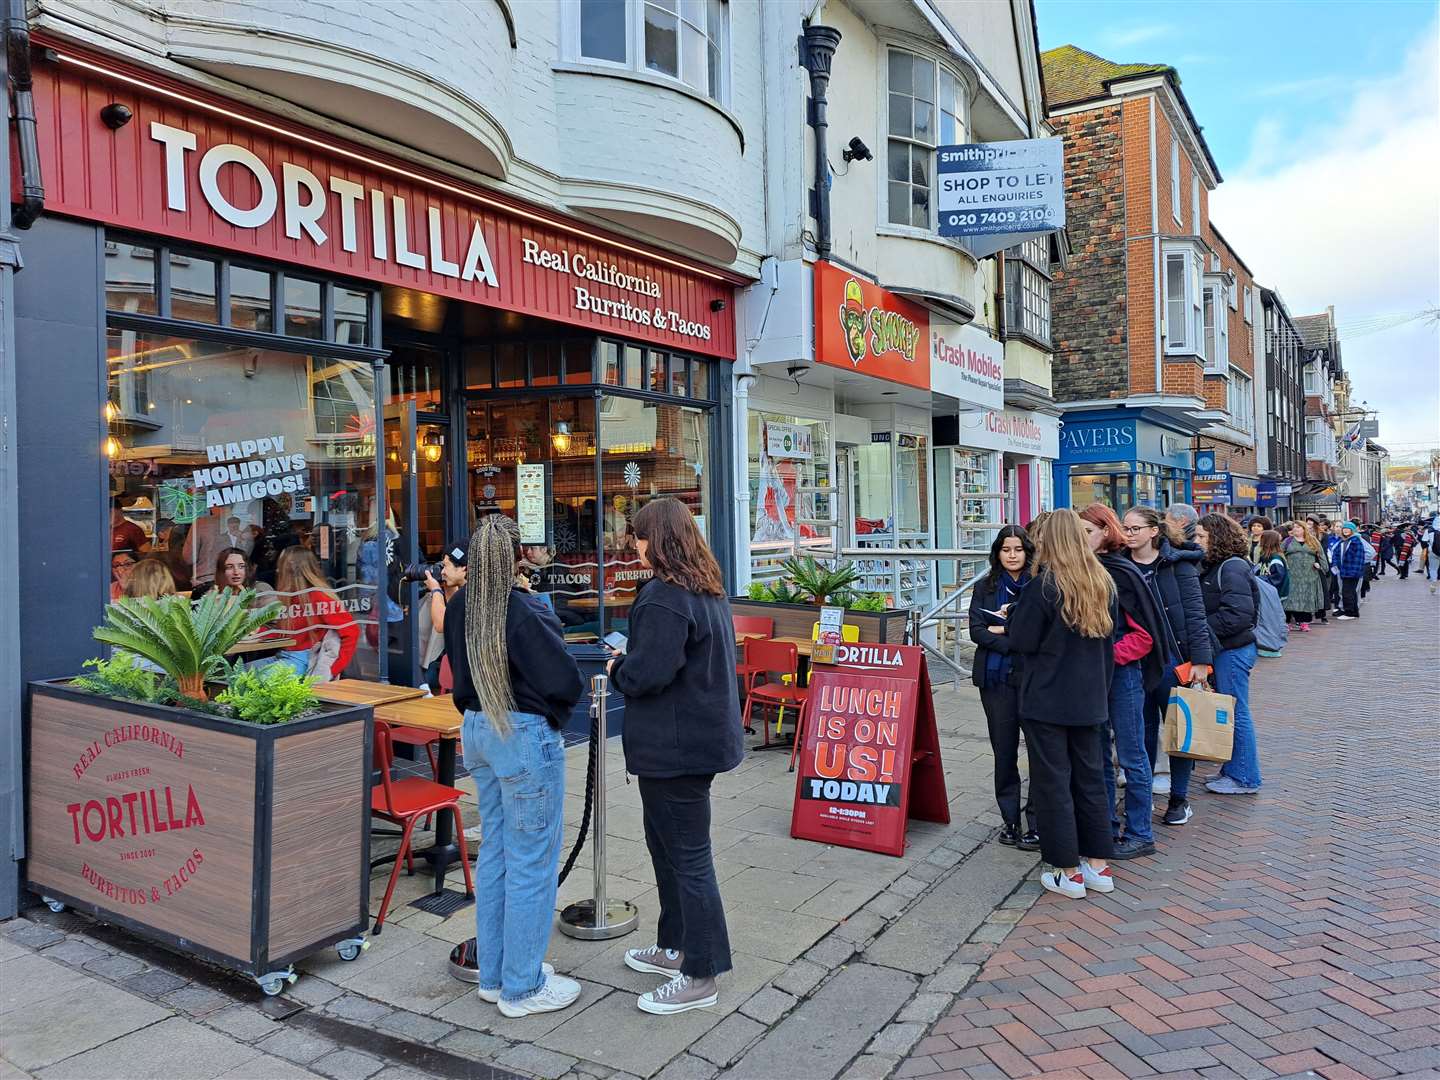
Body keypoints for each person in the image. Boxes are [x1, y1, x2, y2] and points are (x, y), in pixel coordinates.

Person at [603, 498, 743, 1015]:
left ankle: (700, 973)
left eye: (638, 536)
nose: (632, 545)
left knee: (686, 858)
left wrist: (619, 667)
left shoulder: (664, 597)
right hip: (693, 742)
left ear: (656, 539)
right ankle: (674, 945)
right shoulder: (703, 587)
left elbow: (646, 675)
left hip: (676, 748)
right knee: (668, 851)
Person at [444, 515, 584, 1017]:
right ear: (515, 555)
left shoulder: (460, 605)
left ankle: (497, 972)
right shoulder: (522, 609)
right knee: (531, 862)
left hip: (478, 729)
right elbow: (564, 680)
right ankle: (522, 987)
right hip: (520, 732)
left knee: (499, 857)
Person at [1006, 509, 1117, 900]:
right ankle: (1097, 864)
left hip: (1048, 699)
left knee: (1053, 783)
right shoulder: (1103, 582)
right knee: (1090, 780)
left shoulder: (1044, 587)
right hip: (1090, 699)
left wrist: (1014, 615)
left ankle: (1067, 870)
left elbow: (1022, 641)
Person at [1079, 504, 1173, 860]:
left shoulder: (1121, 571)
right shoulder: (1082, 569)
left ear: (1106, 531)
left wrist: (1105, 655)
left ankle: (1140, 831)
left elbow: (1145, 635)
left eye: (1088, 531)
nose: (1081, 538)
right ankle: (1105, 827)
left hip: (1122, 676)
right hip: (1092, 678)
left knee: (1132, 755)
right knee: (1099, 754)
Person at [1121, 505, 1212, 828]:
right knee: (1139, 733)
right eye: (1125, 529)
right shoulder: (1118, 565)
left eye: (1134, 529)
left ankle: (1178, 799)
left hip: (1173, 660)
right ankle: (1141, 799)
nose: (1128, 534)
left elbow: (1195, 614)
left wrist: (1201, 661)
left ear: (1153, 531)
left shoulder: (1177, 565)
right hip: (1135, 662)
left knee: (1179, 731)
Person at [968, 526, 1039, 852]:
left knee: (1040, 753)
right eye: (1005, 549)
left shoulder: (1038, 585)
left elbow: (1037, 634)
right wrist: (1012, 637)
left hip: (1033, 680)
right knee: (1004, 752)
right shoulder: (985, 586)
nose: (1012, 555)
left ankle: (1036, 821)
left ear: (1028, 551)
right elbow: (977, 631)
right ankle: (1010, 820)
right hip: (995, 680)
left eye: (1018, 549)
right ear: (997, 552)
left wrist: (1004, 630)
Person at [1195, 514, 1262, 794]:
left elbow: (1237, 615)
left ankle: (1245, 777)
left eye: (1201, 536)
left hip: (1233, 650)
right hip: (1228, 649)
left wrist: (1198, 630)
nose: (1196, 541)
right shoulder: (1217, 566)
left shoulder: (1231, 567)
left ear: (1216, 537)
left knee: (1236, 712)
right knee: (1231, 711)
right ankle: (1234, 769)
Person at [272, 546, 359, 680]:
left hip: (304, 659)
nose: (277, 571)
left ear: (292, 570)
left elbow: (351, 631)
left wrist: (332, 670)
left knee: (246, 680)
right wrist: (259, 632)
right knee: (238, 675)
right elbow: (287, 632)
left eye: (281, 566)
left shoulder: (317, 596)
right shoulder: (291, 596)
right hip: (285, 655)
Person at [420, 542, 468, 692]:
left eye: (446, 566)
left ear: (463, 569)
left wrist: (435, 590)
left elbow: (441, 623)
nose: (442, 572)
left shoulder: (469, 595)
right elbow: (453, 610)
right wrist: (448, 586)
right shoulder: (470, 591)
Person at [190, 548, 277, 607]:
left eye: (241, 566)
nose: (236, 572)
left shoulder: (261, 589)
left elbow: (274, 623)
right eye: (230, 567)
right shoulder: (213, 594)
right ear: (222, 571)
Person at [1281, 522, 1326, 632]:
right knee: (1290, 599)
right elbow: (1280, 554)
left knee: (1307, 598)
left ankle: (1304, 623)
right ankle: (1288, 622)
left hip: (1309, 575)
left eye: (1298, 527)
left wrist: (1320, 566)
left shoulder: (1313, 540)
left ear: (1304, 529)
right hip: (1292, 574)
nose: (1295, 529)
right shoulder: (1287, 541)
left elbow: (1321, 555)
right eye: (1294, 527)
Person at [1332, 522, 1368, 620]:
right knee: (1347, 592)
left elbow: (1358, 558)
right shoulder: (1343, 541)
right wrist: (1335, 566)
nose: (1345, 530)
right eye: (1344, 529)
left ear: (1352, 530)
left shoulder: (1356, 541)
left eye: (1348, 529)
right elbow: (1336, 554)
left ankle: (1350, 613)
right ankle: (1353, 612)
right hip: (1343, 571)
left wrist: (1354, 572)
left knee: (1348, 592)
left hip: (1351, 572)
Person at [1254, 530, 1288, 598]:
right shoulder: (1264, 556)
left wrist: (1260, 579)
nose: (1260, 541)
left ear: (1268, 541)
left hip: (1273, 594)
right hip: (1265, 591)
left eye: (1262, 538)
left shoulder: (1276, 559)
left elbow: (1277, 577)